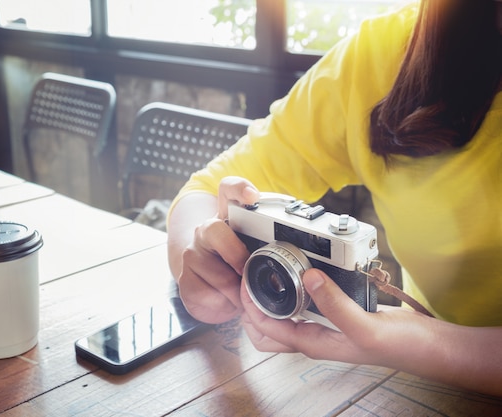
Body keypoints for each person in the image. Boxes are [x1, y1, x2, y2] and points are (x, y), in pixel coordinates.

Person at [166, 0, 502, 397]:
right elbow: (204, 191)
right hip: (422, 386)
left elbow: (416, 344)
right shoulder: (386, 54)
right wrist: (204, 259)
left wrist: (419, 343)